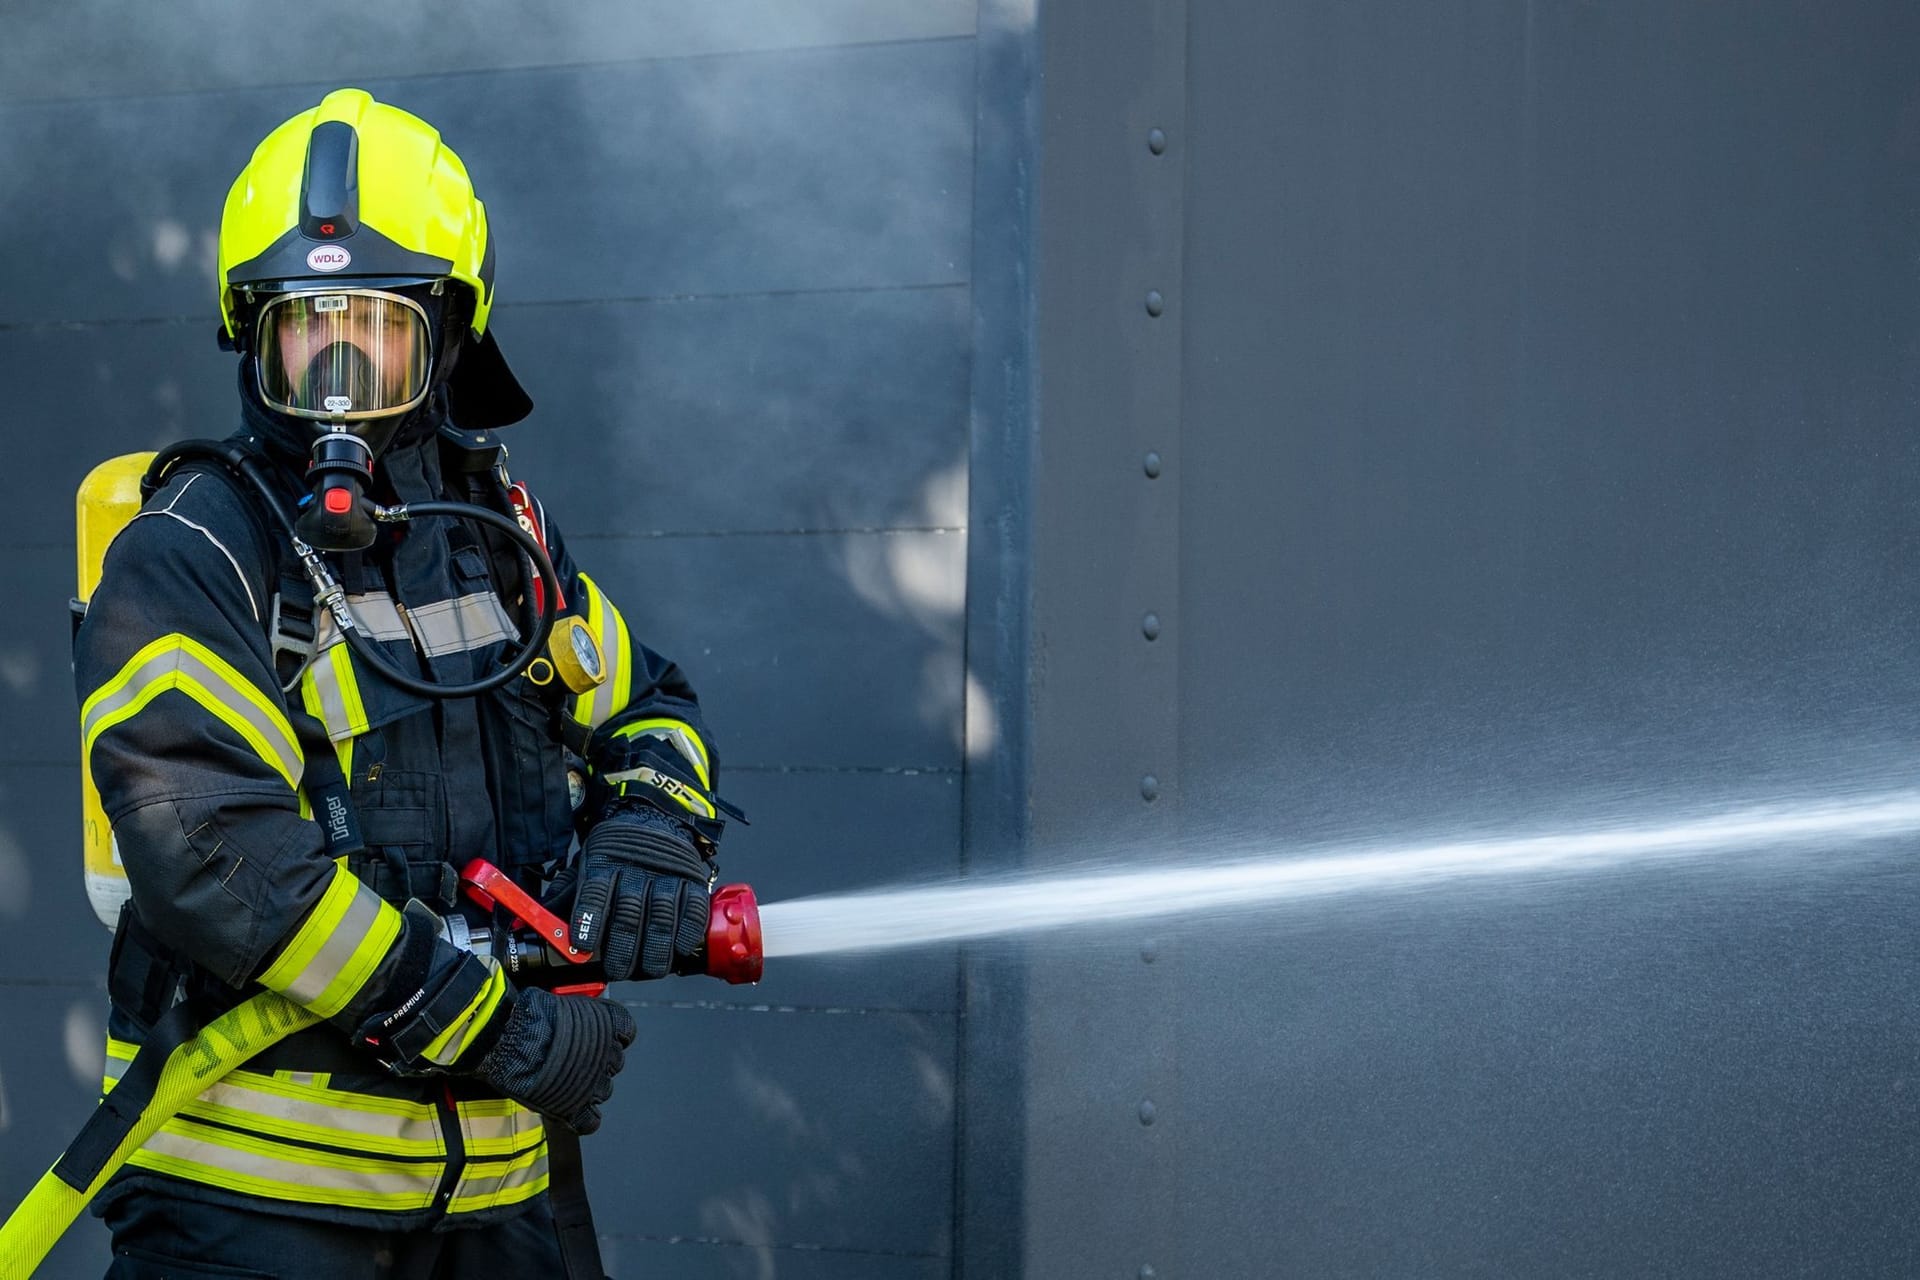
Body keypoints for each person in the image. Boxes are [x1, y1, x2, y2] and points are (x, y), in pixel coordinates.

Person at [74, 88, 734, 1277]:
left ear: (446, 334)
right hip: (251, 1211)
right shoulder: (195, 546)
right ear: (253, 337)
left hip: (496, 1202)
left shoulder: (500, 536)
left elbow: (650, 704)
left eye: (373, 327)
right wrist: (509, 1028)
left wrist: (651, 825)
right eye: (301, 325)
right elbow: (217, 859)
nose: (336, 369)